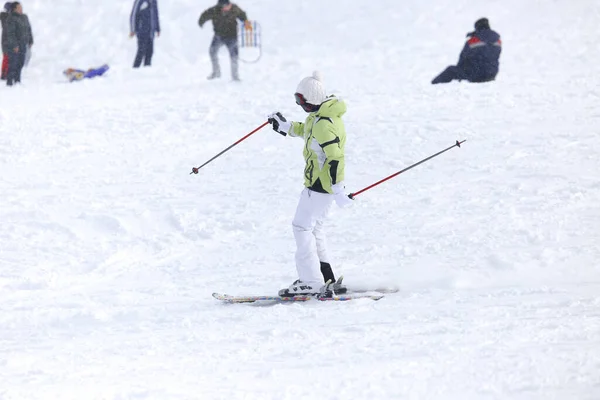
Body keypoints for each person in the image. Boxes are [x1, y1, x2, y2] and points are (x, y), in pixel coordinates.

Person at [267, 71, 354, 297]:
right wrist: (285, 126)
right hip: (320, 184)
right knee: (314, 229)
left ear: (313, 100)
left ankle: (310, 280)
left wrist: (338, 188)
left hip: (319, 185)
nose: (300, 106)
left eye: (302, 101)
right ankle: (326, 277)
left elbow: (335, 157)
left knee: (301, 227)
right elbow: (307, 131)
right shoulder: (319, 116)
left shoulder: (324, 123)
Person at [432, 18, 501, 84]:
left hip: (477, 74)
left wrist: (460, 70)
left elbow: (463, 56)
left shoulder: (474, 40)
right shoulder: (498, 41)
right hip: (492, 73)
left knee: (450, 70)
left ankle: (433, 85)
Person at [198, 0, 251, 81]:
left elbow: (242, 15)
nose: (228, 7)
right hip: (218, 36)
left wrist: (246, 23)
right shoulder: (214, 10)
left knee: (234, 57)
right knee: (212, 52)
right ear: (221, 6)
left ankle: (235, 77)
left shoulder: (234, 9)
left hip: (232, 37)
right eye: (226, 6)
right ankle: (216, 72)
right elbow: (205, 15)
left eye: (228, 5)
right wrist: (201, 21)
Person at [4, 1, 32, 86]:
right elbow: (10, 33)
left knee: (20, 63)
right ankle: (9, 82)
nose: (21, 9)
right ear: (14, 9)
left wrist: (30, 40)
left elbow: (28, 29)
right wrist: (14, 45)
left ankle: (17, 80)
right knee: (13, 64)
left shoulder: (24, 17)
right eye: (19, 7)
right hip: (14, 46)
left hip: (23, 44)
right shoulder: (11, 18)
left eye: (21, 7)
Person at [129, 0, 160, 68]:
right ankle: (135, 69)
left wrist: (157, 28)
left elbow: (156, 14)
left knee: (150, 52)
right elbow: (134, 14)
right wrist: (133, 29)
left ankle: (146, 70)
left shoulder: (154, 1)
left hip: (150, 32)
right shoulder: (140, 1)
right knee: (141, 51)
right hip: (142, 31)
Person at [1, 2, 12, 80]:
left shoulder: (3, 16)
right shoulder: (6, 16)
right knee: (8, 58)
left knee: (6, 57)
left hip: (5, 40)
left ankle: (4, 74)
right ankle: (5, 74)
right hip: (7, 40)